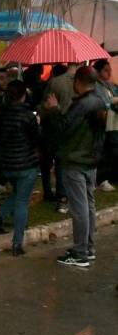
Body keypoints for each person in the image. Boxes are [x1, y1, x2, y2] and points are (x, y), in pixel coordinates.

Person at [44, 66, 106, 268]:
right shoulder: (100, 100)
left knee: (79, 208)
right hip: (90, 160)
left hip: (75, 161)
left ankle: (80, 253)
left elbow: (63, 127)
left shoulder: (81, 105)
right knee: (88, 205)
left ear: (78, 82)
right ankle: (88, 247)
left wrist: (53, 108)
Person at [0, 81, 40, 255]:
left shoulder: (0, 115)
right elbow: (36, 138)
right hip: (26, 163)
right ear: (23, 95)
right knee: (22, 201)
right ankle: (17, 243)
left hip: (7, 163)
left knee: (18, 194)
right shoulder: (28, 116)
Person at [41, 63, 80, 213]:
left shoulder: (55, 82)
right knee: (63, 163)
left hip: (54, 124)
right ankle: (64, 196)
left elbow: (45, 102)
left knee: (49, 161)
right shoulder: (81, 82)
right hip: (72, 127)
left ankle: (50, 192)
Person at [92, 59, 118, 192]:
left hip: (112, 123)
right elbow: (103, 103)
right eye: (105, 70)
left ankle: (106, 177)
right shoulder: (96, 86)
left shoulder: (109, 85)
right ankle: (100, 179)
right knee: (103, 151)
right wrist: (112, 103)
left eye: (109, 70)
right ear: (98, 71)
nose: (109, 73)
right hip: (102, 123)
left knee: (110, 151)